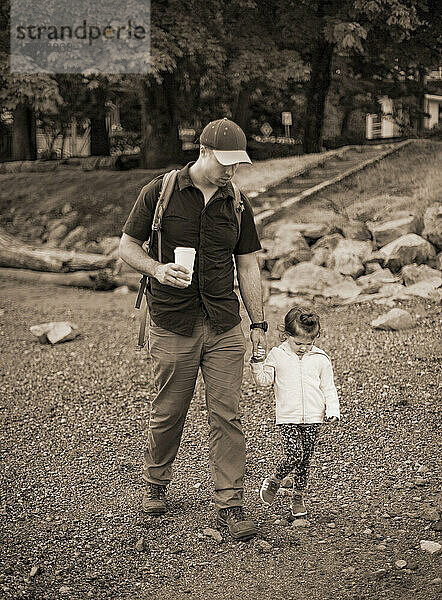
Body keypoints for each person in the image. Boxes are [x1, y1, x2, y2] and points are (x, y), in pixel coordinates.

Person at [119, 118, 267, 540]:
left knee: (228, 414)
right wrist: (157, 269)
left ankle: (230, 504)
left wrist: (258, 323)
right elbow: (127, 246)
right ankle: (156, 483)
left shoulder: (237, 202)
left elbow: (248, 263)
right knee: (168, 411)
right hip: (171, 322)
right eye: (224, 162)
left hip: (223, 322)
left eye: (236, 164)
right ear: (203, 151)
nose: (230, 171)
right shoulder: (160, 191)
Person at [249, 306, 340, 518]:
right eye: (298, 343)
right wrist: (256, 363)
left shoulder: (320, 358)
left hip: (313, 418)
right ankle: (274, 479)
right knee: (294, 455)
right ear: (286, 335)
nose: (303, 349)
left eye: (309, 344)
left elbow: (328, 387)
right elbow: (264, 381)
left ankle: (298, 496)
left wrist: (332, 409)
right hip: (287, 417)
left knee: (305, 459)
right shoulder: (277, 355)